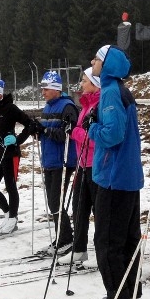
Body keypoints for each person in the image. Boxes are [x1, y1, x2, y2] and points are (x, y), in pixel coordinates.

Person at [85, 45, 144, 299]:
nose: (93, 63)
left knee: (107, 241)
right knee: (128, 239)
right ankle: (130, 294)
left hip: (113, 177)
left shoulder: (109, 92)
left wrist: (91, 126)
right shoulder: (120, 90)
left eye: (97, 59)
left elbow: (112, 134)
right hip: (127, 176)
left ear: (106, 65)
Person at [59, 67, 101, 265]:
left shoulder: (99, 104)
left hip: (96, 165)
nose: (81, 84)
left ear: (94, 84)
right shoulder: (85, 104)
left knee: (97, 211)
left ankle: (101, 251)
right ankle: (79, 249)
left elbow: (95, 139)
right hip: (82, 164)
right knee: (78, 208)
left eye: (85, 81)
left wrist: (74, 132)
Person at [0, 78, 34, 234]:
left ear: (0, 94)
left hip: (10, 153)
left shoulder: (10, 108)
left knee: (10, 186)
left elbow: (30, 124)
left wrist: (17, 140)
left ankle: (13, 218)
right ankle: (7, 213)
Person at [35, 70, 79, 256]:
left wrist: (44, 131)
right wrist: (37, 130)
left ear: (56, 89)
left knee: (56, 201)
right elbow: (47, 131)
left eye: (46, 89)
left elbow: (66, 135)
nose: (43, 92)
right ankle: (62, 236)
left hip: (63, 161)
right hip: (50, 160)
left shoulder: (67, 106)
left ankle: (66, 238)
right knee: (52, 202)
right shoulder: (48, 107)